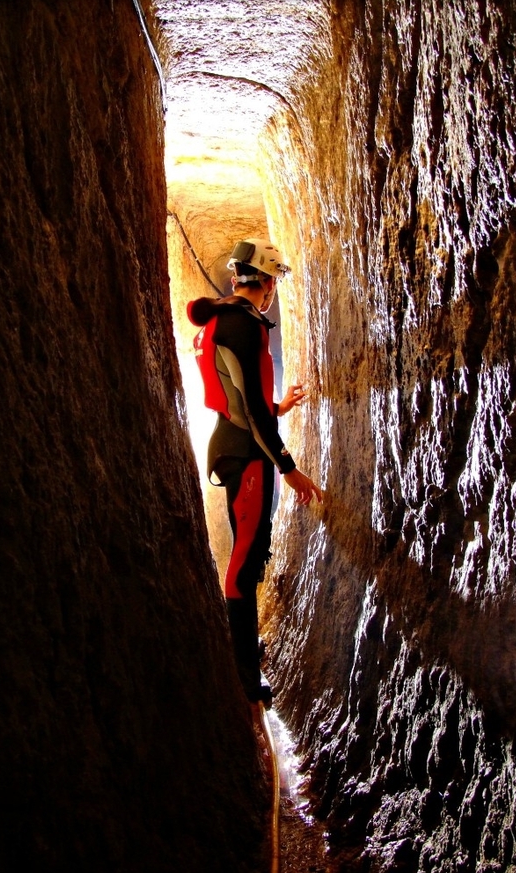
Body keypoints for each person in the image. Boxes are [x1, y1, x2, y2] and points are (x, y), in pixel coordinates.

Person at [187, 238, 323, 704]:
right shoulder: (245, 326)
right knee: (245, 562)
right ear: (264, 282)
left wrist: (278, 406)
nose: (272, 292)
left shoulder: (219, 320)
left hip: (230, 444)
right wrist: (289, 469)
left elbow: (238, 397)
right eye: (273, 282)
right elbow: (254, 416)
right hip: (247, 455)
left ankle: (244, 651)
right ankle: (246, 675)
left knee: (247, 554)